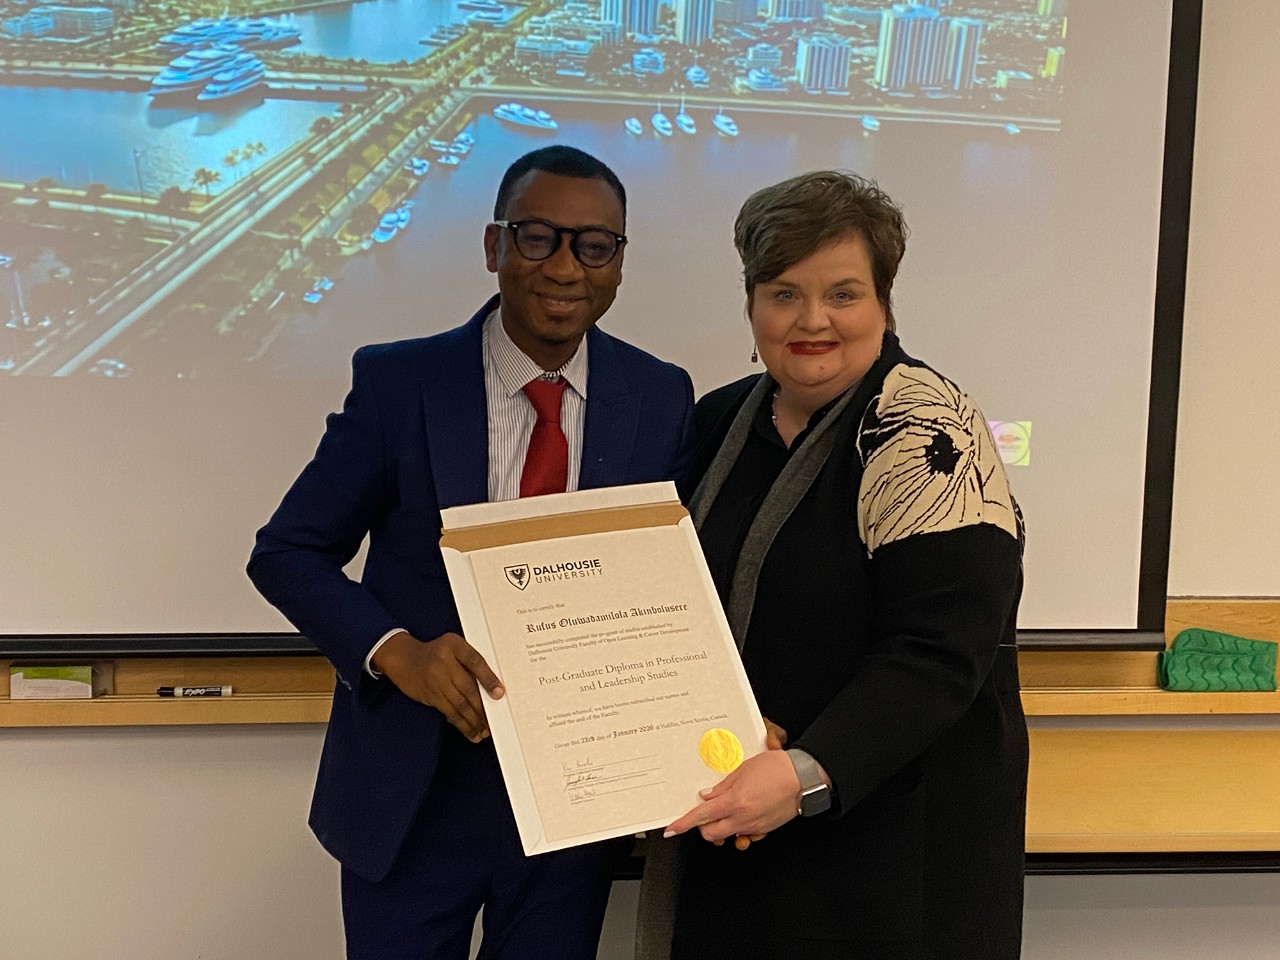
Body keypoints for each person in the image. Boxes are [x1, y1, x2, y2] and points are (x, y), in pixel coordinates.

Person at [248, 145, 694, 960]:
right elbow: (288, 552)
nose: (565, 266)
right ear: (493, 247)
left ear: (619, 265)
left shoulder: (660, 397)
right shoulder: (401, 382)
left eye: (594, 246)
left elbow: (670, 590)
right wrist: (398, 655)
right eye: (537, 238)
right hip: (410, 792)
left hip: (574, 800)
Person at [652, 171, 1028, 960]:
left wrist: (803, 771)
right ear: (751, 302)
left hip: (889, 856)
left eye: (843, 294)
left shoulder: (923, 427)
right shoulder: (721, 419)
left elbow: (938, 652)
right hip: (742, 832)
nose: (812, 320)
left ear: (885, 302)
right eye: (783, 292)